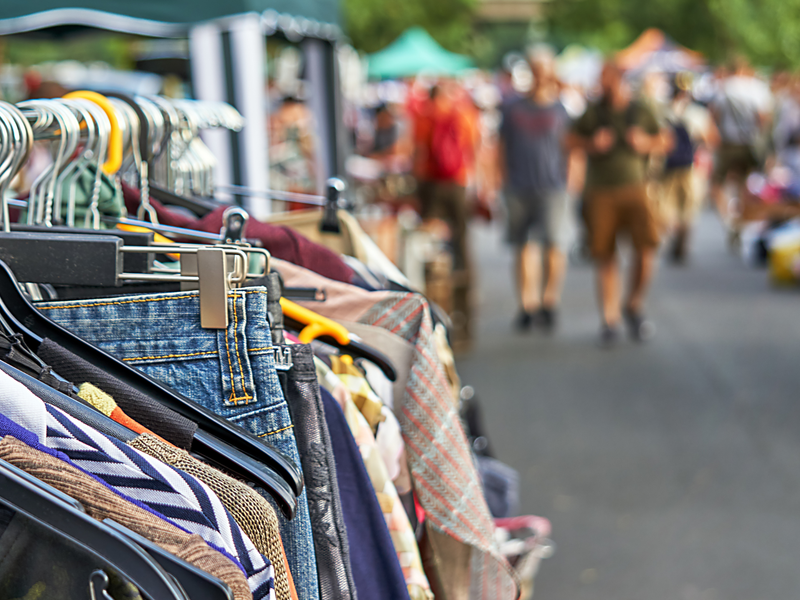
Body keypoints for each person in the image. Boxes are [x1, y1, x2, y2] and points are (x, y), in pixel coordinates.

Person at [567, 60, 670, 344]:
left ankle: (634, 303)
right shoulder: (593, 112)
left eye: (608, 79)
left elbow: (665, 140)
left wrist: (644, 143)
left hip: (636, 187)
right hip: (600, 190)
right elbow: (569, 141)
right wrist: (592, 145)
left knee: (646, 248)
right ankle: (609, 317)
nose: (604, 85)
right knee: (605, 254)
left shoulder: (640, 109)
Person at [498, 46, 577, 331]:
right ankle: (526, 304)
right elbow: (500, 147)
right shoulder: (512, 107)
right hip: (519, 185)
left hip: (553, 186)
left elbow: (572, 149)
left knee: (555, 245)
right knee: (522, 246)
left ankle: (549, 301)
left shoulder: (561, 109)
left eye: (545, 69)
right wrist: (501, 179)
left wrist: (571, 180)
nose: (541, 75)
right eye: (536, 68)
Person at [660, 73, 719, 263]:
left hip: (666, 165)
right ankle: (682, 241)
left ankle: (675, 236)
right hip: (692, 166)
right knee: (689, 208)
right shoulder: (697, 113)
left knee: (667, 207)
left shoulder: (663, 111)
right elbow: (711, 139)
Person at [709, 59, 773, 227]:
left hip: (728, 143)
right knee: (746, 182)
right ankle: (742, 217)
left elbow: (714, 116)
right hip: (749, 143)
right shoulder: (756, 87)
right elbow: (763, 118)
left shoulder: (724, 87)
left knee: (717, 183)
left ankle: (728, 218)